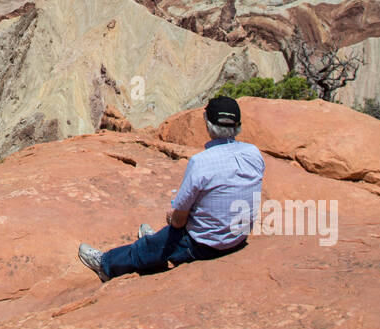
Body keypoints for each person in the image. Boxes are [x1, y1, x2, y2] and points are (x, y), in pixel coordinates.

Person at [78, 95, 265, 281]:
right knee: (171, 233)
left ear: (208, 124)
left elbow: (178, 221)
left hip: (205, 247)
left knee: (155, 244)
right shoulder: (254, 154)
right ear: (238, 126)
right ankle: (153, 242)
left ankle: (106, 264)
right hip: (238, 239)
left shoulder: (201, 163)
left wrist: (174, 219)